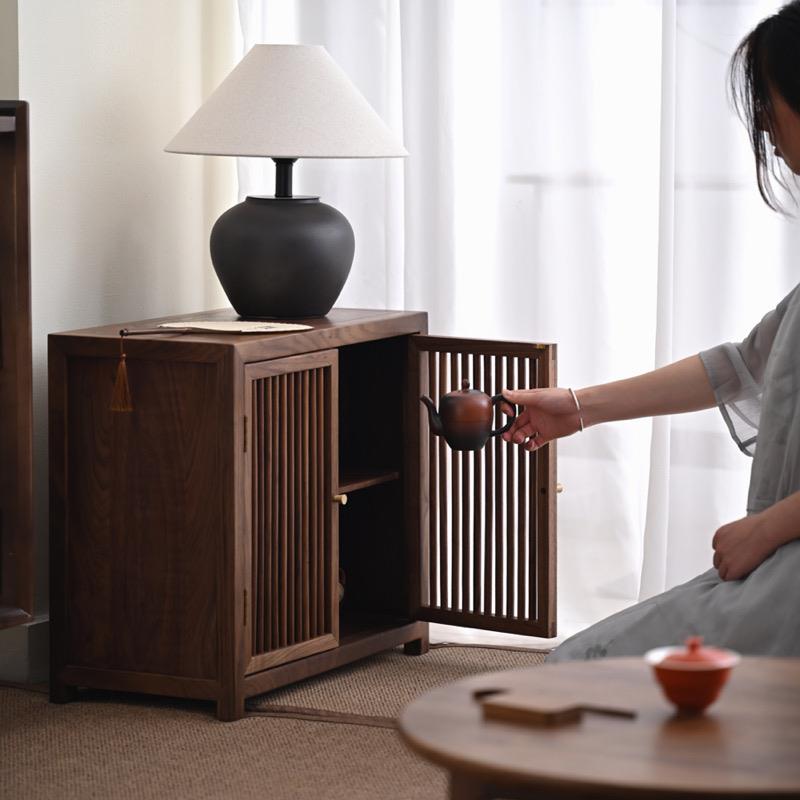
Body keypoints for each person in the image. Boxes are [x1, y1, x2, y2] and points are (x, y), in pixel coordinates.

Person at [502, 0, 800, 660]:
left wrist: (766, 530)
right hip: (777, 553)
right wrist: (576, 408)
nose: (765, 131)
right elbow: (743, 364)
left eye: (768, 101)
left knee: (578, 674)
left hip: (783, 555)